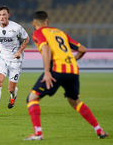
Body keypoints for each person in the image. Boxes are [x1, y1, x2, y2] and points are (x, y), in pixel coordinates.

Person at [23, 11, 108, 141]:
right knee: (75, 102)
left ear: (34, 24)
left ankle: (38, 133)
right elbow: (82, 49)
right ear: (48, 22)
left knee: (32, 98)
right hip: (73, 70)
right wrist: (71, 61)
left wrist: (47, 72)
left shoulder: (38, 33)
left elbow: (45, 49)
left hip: (56, 70)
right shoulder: (60, 32)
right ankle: (99, 130)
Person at [0, 5, 29, 117]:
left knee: (10, 88)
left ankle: (13, 95)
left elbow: (26, 38)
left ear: (8, 16)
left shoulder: (16, 28)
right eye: (0, 15)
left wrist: (20, 51)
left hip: (15, 60)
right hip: (2, 58)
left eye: (4, 15)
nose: (2, 17)